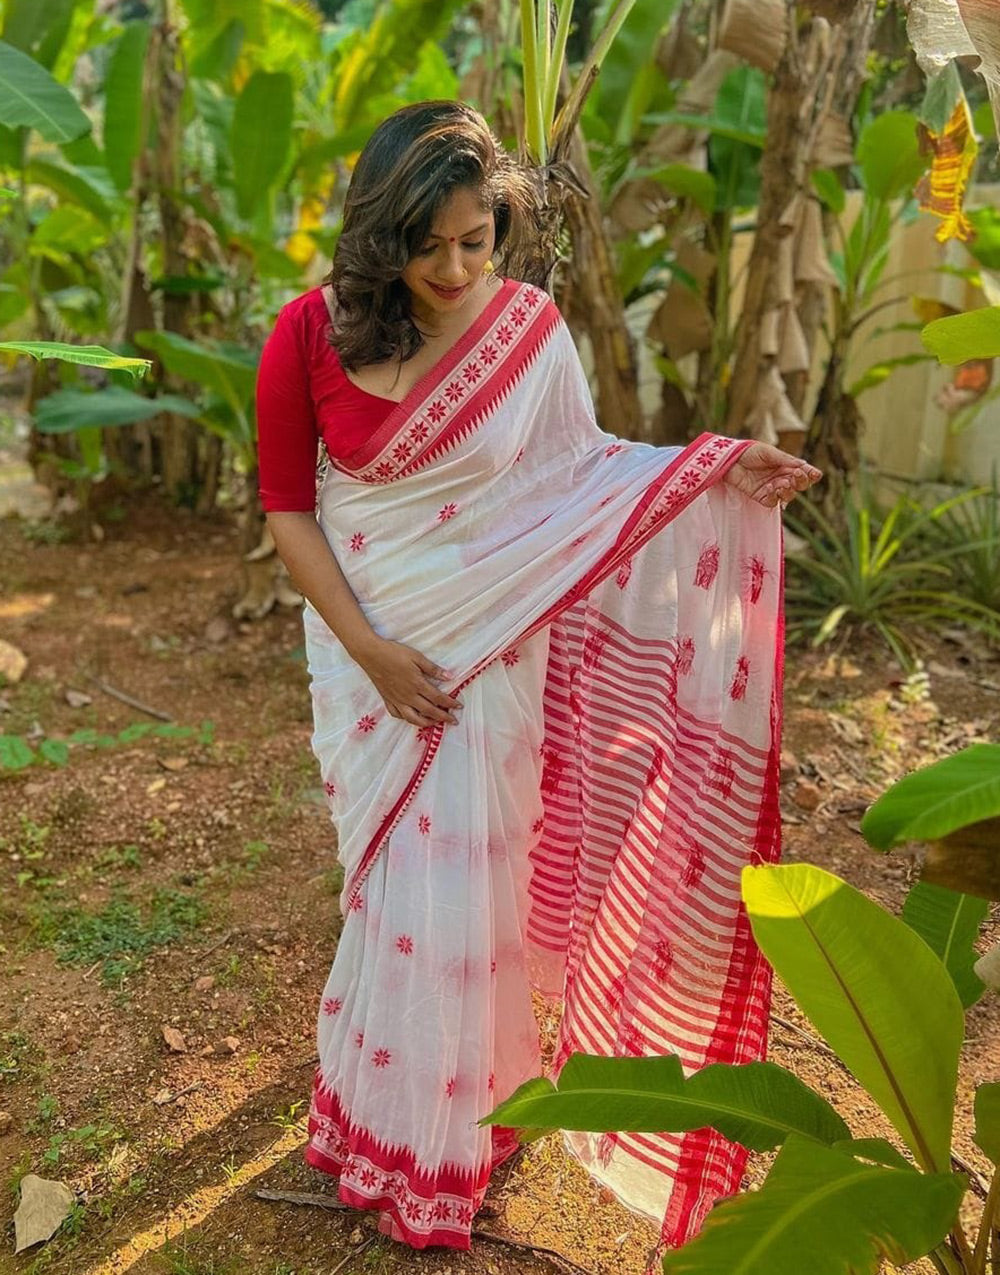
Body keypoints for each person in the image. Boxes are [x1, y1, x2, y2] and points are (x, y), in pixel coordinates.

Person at [255, 99, 821, 1257]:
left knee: (467, 889)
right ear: (381, 231)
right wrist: (371, 651)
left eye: (478, 240)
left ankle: (451, 1128)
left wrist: (716, 468)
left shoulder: (528, 331)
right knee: (394, 895)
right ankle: (382, 1112)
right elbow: (287, 513)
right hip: (372, 658)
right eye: (431, 245)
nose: (457, 269)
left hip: (487, 650)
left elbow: (581, 473)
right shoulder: (305, 335)